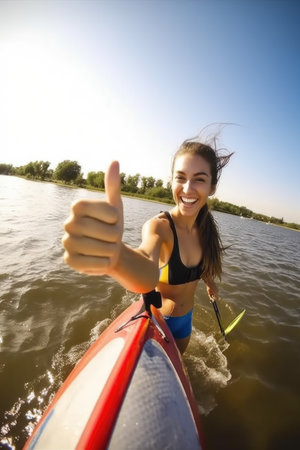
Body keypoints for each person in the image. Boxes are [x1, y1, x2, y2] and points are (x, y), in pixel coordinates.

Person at [62, 134, 233, 354]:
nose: (188, 188)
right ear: (171, 181)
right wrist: (118, 257)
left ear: (212, 188)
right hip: (163, 322)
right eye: (180, 177)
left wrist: (210, 283)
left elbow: (202, 267)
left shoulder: (206, 230)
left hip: (185, 322)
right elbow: (147, 267)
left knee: (181, 362)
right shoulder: (159, 227)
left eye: (199, 179)